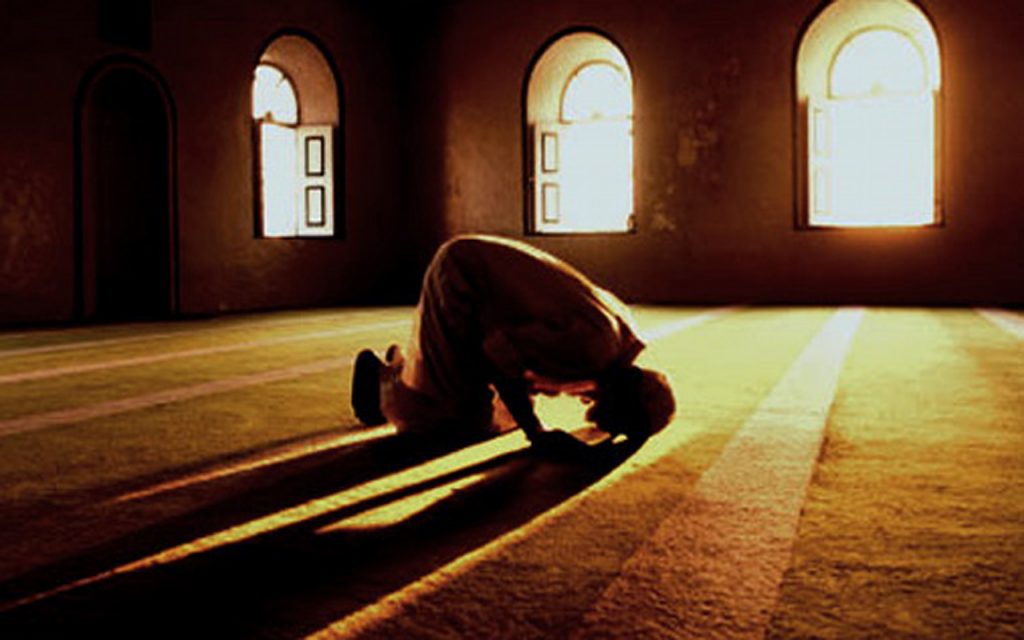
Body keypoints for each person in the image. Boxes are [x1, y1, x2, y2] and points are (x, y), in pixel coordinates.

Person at [351, 234, 675, 455]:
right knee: (446, 423)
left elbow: (523, 355)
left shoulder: (619, 340)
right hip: (460, 279)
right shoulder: (590, 351)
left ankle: (414, 366)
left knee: (500, 416)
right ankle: (382, 382)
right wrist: (536, 433)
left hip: (474, 282)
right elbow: (496, 353)